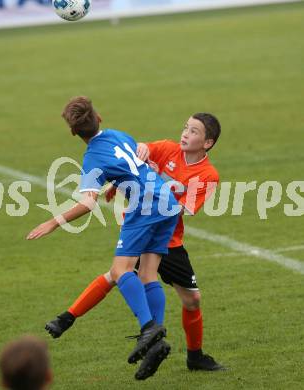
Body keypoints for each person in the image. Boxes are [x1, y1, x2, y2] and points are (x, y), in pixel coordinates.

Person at [45, 113, 226, 373]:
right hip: (143, 227)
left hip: (170, 239)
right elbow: (135, 153)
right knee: (118, 274)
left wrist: (153, 179)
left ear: (207, 143)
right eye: (185, 127)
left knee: (191, 300)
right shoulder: (166, 148)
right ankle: (68, 318)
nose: (185, 133)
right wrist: (124, 179)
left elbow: (181, 208)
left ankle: (192, 355)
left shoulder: (209, 175)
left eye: (194, 131)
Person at [27, 96, 180, 380]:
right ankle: (154, 343)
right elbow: (133, 163)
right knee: (148, 273)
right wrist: (116, 185)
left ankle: (149, 328)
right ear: (100, 117)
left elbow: (88, 204)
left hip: (144, 206)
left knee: (121, 271)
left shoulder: (92, 158)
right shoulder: (118, 134)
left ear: (74, 132)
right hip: (167, 201)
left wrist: (53, 222)